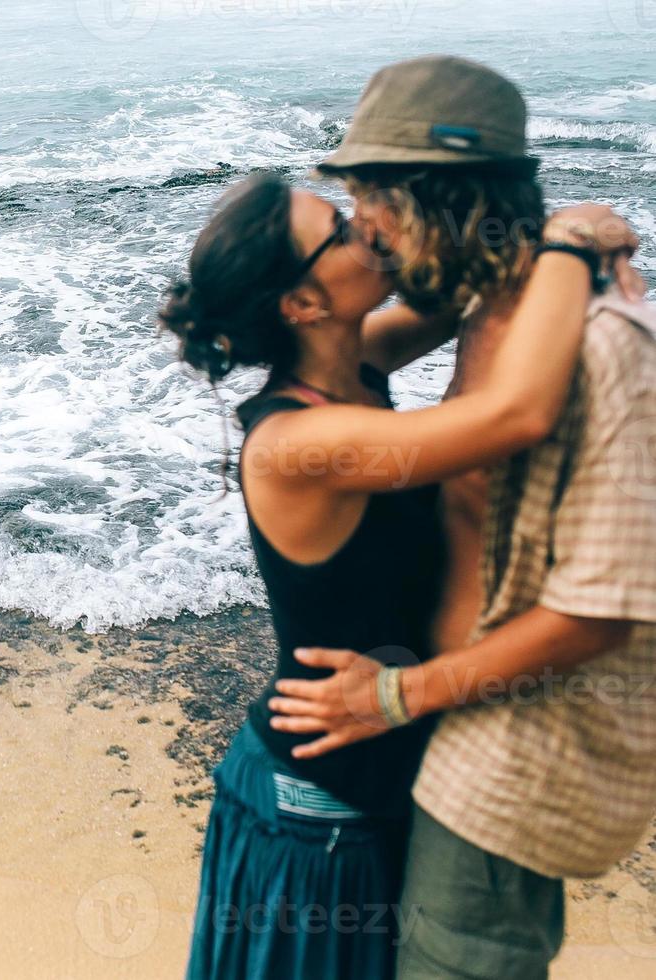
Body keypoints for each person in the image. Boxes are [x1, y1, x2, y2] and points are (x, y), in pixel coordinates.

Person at [161, 164, 635, 979]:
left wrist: (508, 225)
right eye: (341, 233)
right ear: (304, 304)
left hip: (365, 775)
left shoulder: (355, 361)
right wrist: (569, 240)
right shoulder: (295, 444)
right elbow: (514, 411)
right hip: (315, 810)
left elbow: (469, 293)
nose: (368, 231)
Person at [269, 56, 656, 979]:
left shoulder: (605, 348)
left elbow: (601, 607)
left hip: (511, 753)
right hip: (435, 726)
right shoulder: (478, 307)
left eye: (372, 200)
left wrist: (392, 696)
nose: (363, 228)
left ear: (436, 195)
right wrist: (566, 238)